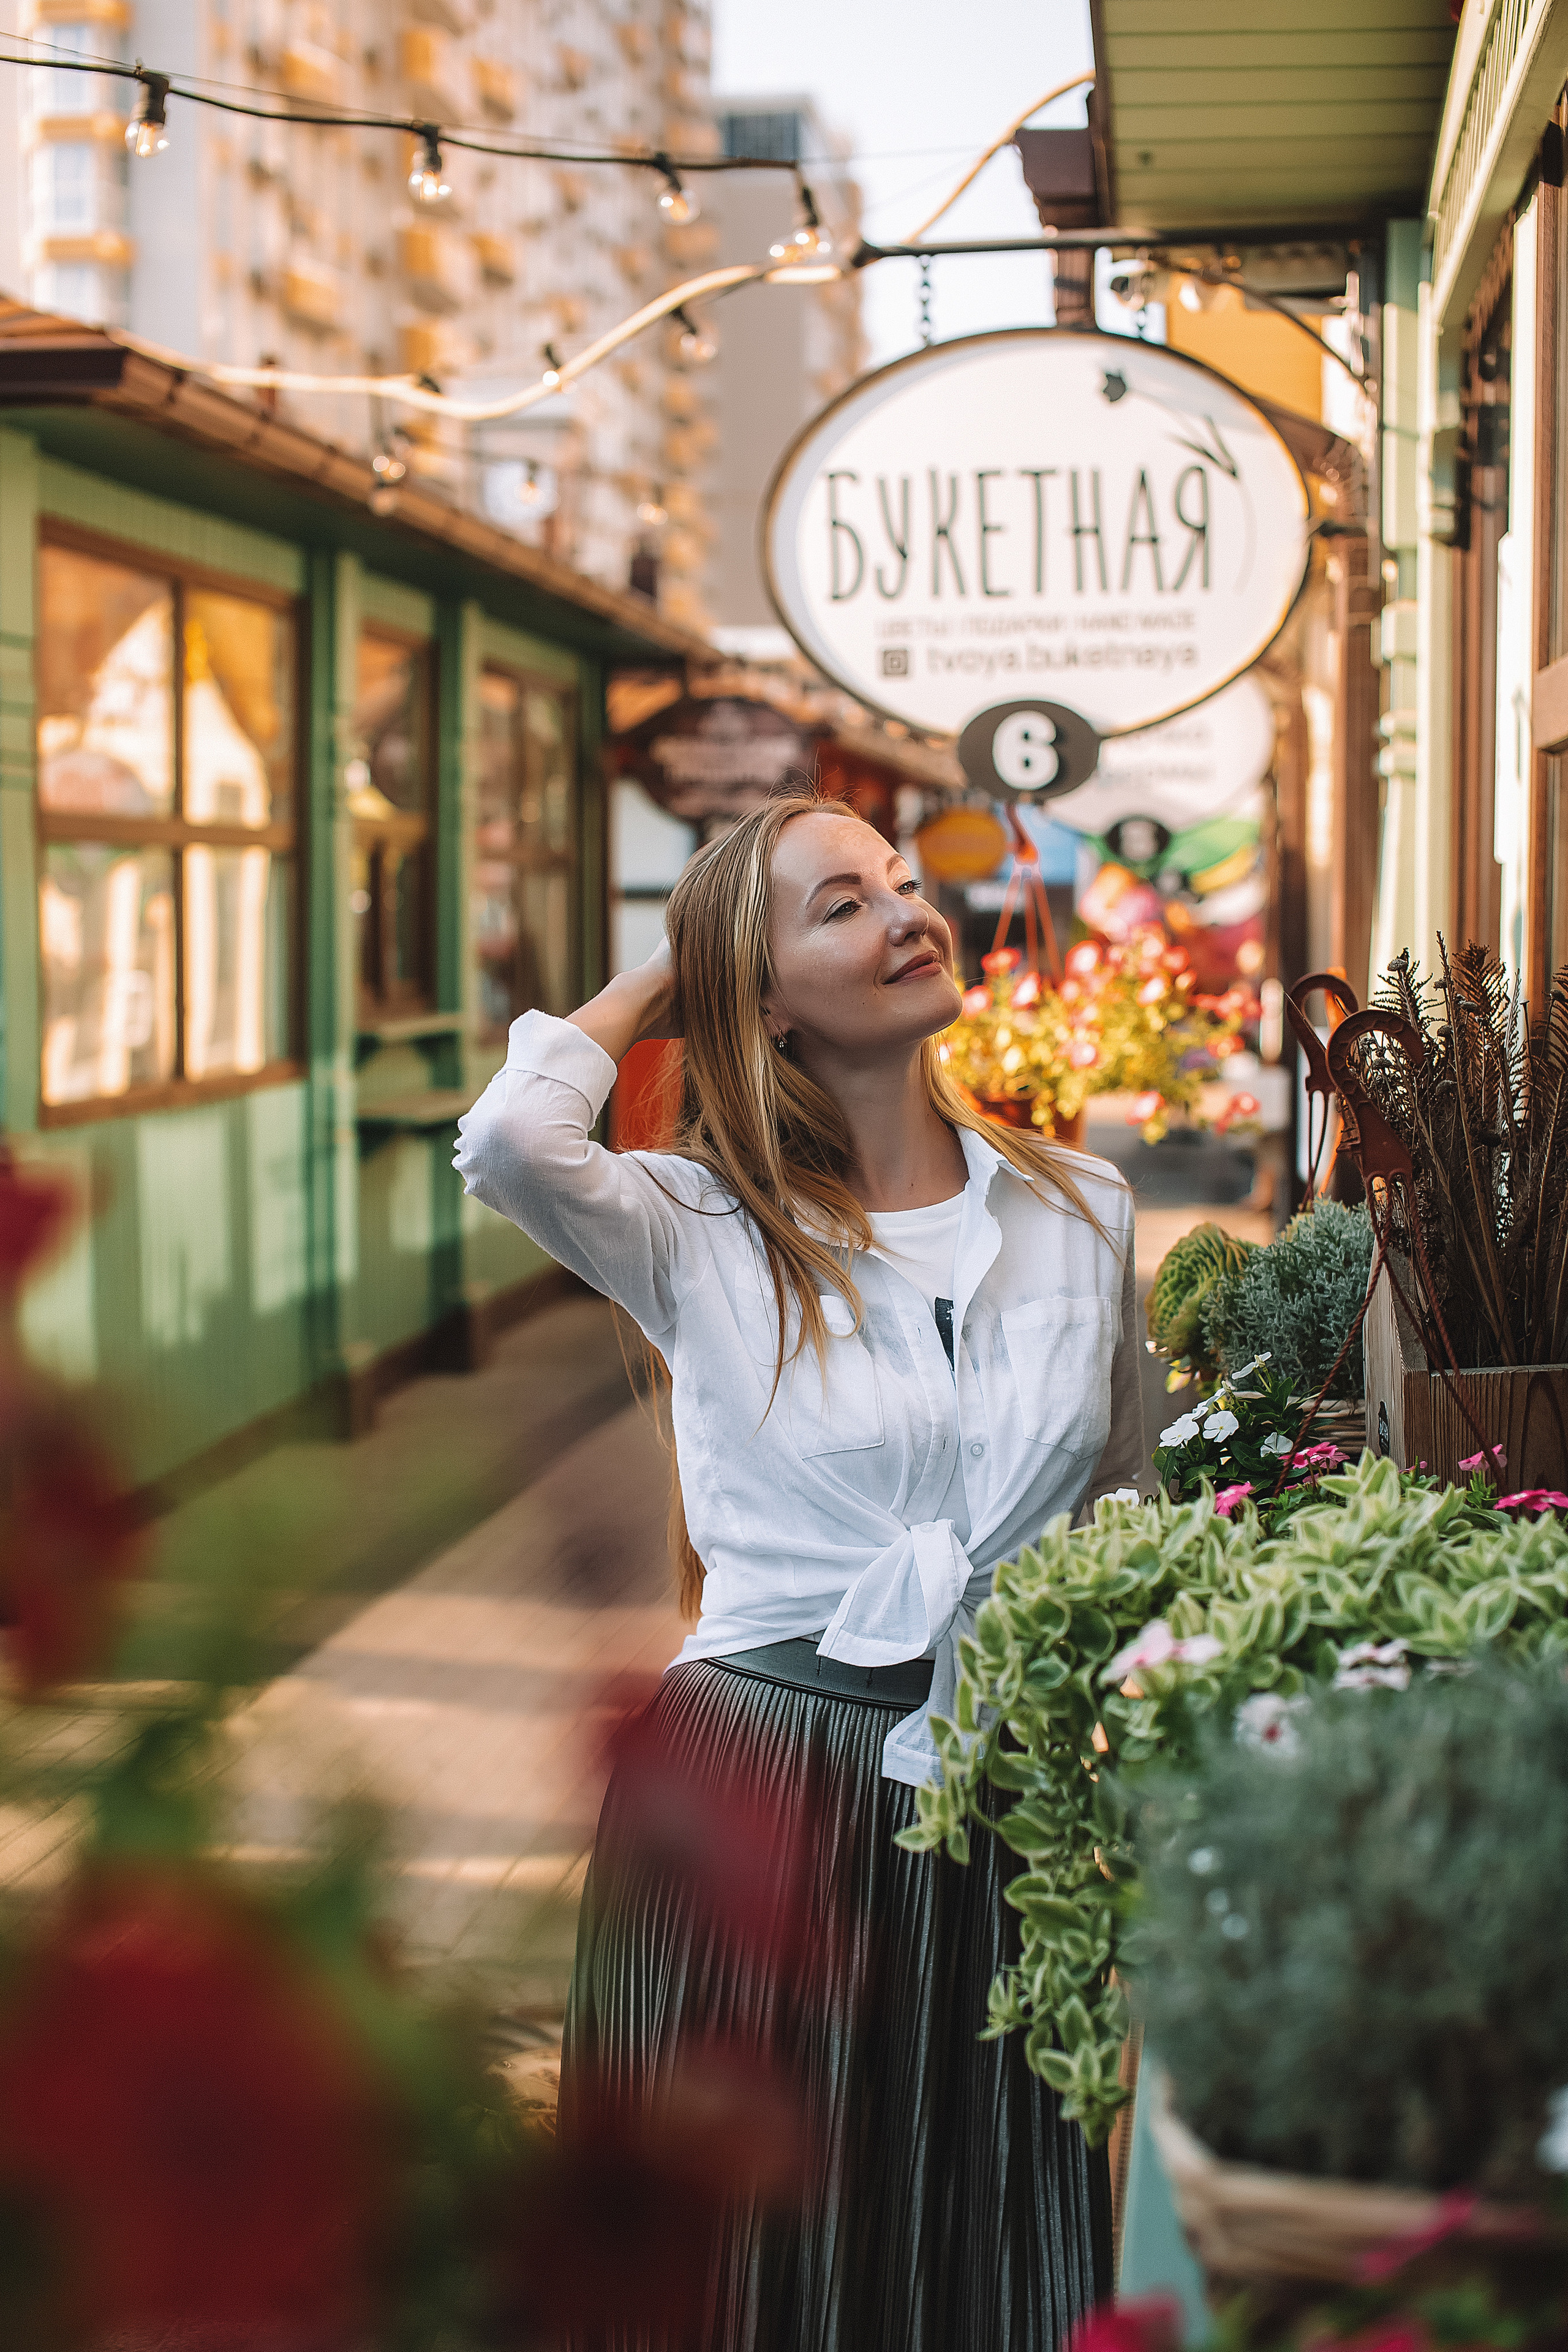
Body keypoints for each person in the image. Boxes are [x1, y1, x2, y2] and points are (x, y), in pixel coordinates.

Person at [454, 791, 1143, 2350]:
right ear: (753, 998)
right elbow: (507, 1139)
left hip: (996, 1792)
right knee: (753, 2275)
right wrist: (670, 970)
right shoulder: (697, 1218)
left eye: (902, 884)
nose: (907, 912)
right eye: (838, 905)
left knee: (975, 2244)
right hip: (761, 1790)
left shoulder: (1077, 1209)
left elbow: (1118, 1499)